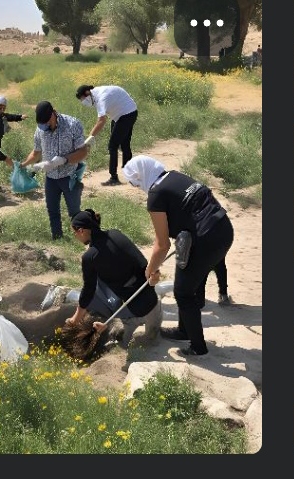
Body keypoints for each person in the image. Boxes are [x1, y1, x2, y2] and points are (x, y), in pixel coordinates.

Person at [122, 155, 235, 357]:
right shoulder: (175, 177)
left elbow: (162, 244)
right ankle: (184, 330)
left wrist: (150, 270)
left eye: (135, 182)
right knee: (193, 280)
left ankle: (198, 347)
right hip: (224, 229)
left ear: (141, 176)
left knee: (183, 293)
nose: (137, 187)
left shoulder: (155, 195)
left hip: (205, 240)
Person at [66, 208, 162, 348]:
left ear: (81, 230)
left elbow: (88, 291)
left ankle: (121, 326)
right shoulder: (116, 234)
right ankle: (149, 331)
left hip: (135, 312)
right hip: (153, 303)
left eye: (74, 232)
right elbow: (143, 264)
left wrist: (75, 319)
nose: (75, 236)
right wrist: (154, 278)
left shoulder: (90, 257)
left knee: (94, 291)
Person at [22, 100, 88, 241]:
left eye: (46, 122)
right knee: (52, 211)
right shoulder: (40, 129)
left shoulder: (72, 124)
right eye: (42, 124)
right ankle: (57, 239)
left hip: (70, 176)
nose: (44, 126)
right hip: (51, 178)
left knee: (74, 212)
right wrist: (24, 165)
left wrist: (63, 159)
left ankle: (83, 240)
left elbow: (83, 152)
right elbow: (36, 152)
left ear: (53, 114)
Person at [75, 84, 139, 187]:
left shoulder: (101, 97)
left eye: (83, 99)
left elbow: (101, 120)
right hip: (120, 115)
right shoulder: (94, 95)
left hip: (127, 114)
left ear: (87, 93)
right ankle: (131, 174)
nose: (83, 102)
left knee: (113, 146)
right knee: (124, 144)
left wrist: (90, 138)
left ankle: (114, 178)